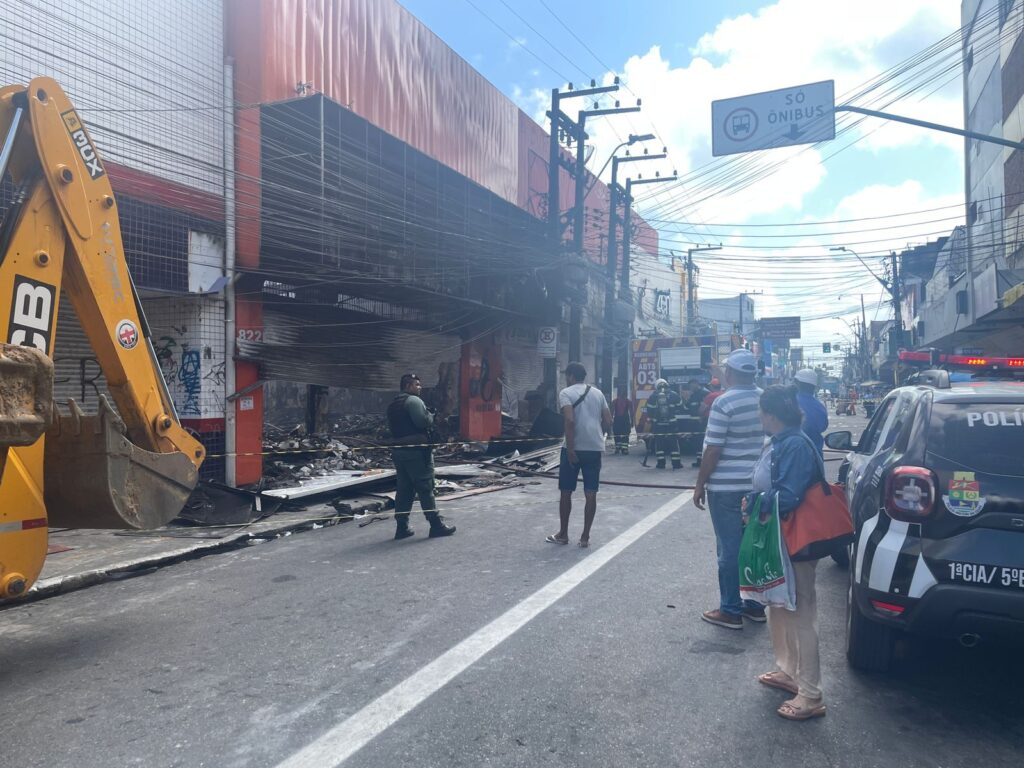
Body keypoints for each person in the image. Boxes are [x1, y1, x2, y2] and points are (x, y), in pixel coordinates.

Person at [747, 385, 826, 721]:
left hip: (796, 536)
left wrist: (754, 503)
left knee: (801, 612)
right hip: (779, 534)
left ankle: (810, 693)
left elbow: (789, 496)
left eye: (761, 412)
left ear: (771, 414)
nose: (759, 417)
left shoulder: (794, 444)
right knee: (779, 605)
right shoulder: (781, 441)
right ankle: (788, 671)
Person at [692, 349, 766, 629]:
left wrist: (700, 484)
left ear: (731, 373)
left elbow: (713, 449)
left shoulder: (723, 403)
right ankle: (755, 605)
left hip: (725, 488)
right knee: (754, 546)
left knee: (729, 549)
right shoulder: (764, 399)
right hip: (757, 487)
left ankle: (731, 610)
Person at [547, 362, 612, 548]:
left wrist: (571, 449)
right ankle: (585, 537)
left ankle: (563, 534)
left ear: (570, 376)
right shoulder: (598, 393)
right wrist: (600, 435)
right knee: (591, 493)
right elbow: (608, 419)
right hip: (594, 448)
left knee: (566, 492)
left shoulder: (566, 393)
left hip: (573, 448)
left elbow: (569, 419)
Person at [386, 373, 456, 540]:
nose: (420, 387)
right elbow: (423, 422)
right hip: (416, 453)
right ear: (408, 386)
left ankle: (402, 527)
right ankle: (435, 525)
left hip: (399, 452)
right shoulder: (414, 401)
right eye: (417, 384)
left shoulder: (394, 404)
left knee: (404, 490)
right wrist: (431, 416)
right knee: (425, 487)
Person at [644, 378, 683, 469]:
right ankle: (676, 464)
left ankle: (661, 464)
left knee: (659, 443)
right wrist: (673, 413)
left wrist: (654, 418)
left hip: (658, 425)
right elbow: (680, 407)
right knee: (673, 443)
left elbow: (649, 411)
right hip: (672, 424)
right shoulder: (674, 395)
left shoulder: (653, 396)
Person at [794, 368, 828, 456]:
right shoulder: (820, 407)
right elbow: (824, 427)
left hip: (794, 454)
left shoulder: (790, 402)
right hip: (816, 454)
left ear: (797, 383)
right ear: (814, 386)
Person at [610, 385, 633, 455]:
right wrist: (632, 422)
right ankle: (624, 449)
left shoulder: (615, 401)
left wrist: (611, 420)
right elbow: (631, 412)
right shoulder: (628, 401)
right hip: (625, 420)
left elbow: (612, 411)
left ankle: (618, 448)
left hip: (617, 420)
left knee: (617, 434)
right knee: (625, 434)